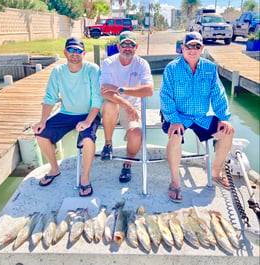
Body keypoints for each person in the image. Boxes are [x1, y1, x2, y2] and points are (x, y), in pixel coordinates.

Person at [160, 32, 235, 202]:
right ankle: (175, 182)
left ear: (202, 48)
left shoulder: (210, 68)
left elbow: (218, 94)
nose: (192, 50)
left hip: (202, 116)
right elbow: (165, 96)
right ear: (182, 48)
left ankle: (215, 172)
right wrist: (173, 119)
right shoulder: (171, 69)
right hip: (178, 116)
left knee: (227, 132)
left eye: (196, 46)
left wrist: (223, 117)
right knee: (175, 135)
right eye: (189, 46)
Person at [33, 37, 103, 197]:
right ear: (65, 52)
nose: (75, 54)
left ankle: (85, 177)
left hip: (88, 114)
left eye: (78, 51)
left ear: (84, 53)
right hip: (66, 113)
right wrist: (43, 121)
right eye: (71, 50)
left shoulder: (92, 69)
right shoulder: (57, 72)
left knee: (87, 140)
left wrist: (88, 121)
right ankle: (54, 168)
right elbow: (50, 97)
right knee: (40, 134)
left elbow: (97, 98)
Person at [100, 31, 153, 183]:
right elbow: (104, 92)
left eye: (131, 45)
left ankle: (127, 164)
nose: (127, 48)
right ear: (118, 46)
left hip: (134, 108)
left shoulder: (142, 64)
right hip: (116, 105)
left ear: (136, 47)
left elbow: (149, 90)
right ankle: (108, 144)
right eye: (124, 44)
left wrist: (120, 89)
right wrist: (126, 102)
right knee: (110, 104)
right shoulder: (108, 62)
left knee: (137, 134)